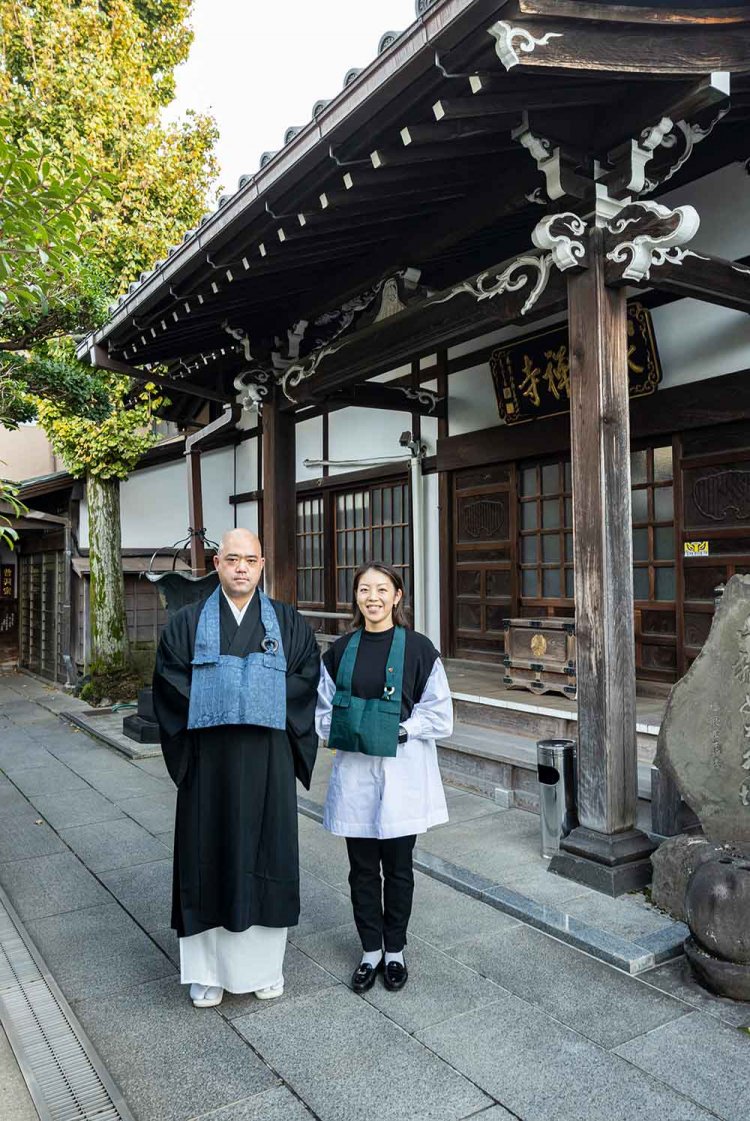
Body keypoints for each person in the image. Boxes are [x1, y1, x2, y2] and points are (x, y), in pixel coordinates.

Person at [152, 528, 320, 1008]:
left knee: (269, 855)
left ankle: (264, 969)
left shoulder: (287, 622)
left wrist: (242, 693)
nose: (241, 567)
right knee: (208, 854)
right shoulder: (187, 623)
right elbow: (169, 680)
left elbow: (306, 677)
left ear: (262, 565)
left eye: (250, 559)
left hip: (268, 759)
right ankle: (206, 973)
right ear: (217, 564)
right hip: (209, 763)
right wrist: (232, 694)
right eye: (231, 559)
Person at [315, 562, 452, 993]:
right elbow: (322, 710)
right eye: (363, 589)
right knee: (360, 868)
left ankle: (395, 949)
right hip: (356, 772)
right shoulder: (339, 651)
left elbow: (439, 711)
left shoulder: (419, 649)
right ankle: (369, 949)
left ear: (397, 596)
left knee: (398, 867)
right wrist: (344, 728)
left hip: (402, 771)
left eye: (381, 589)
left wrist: (403, 728)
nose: (372, 597)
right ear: (355, 598)